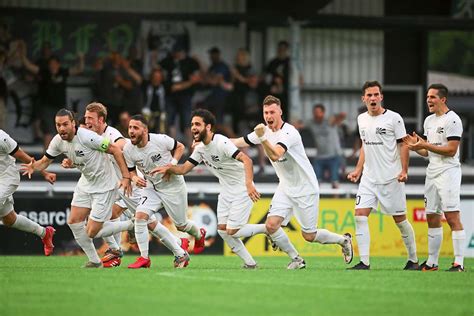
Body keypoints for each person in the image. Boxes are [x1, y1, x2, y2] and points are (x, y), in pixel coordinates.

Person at [232, 95, 353, 269]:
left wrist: (263, 138)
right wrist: (212, 142)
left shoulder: (289, 132)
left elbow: (275, 154)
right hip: (286, 186)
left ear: (280, 112)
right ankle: (297, 259)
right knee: (271, 225)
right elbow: (237, 142)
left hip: (305, 188)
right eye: (266, 112)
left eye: (272, 112)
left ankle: (343, 240)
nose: (268, 116)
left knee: (309, 236)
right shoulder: (263, 131)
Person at [154, 109, 267, 268]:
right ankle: (250, 263)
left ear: (208, 127)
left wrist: (249, 184)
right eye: (192, 124)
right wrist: (167, 168)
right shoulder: (199, 149)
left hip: (242, 187)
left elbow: (247, 160)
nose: (193, 127)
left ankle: (268, 229)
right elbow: (184, 169)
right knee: (222, 230)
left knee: (233, 230)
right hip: (226, 190)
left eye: (197, 124)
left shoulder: (221, 142)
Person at [81, 102, 189, 268]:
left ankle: (177, 250)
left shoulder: (112, 134)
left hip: (132, 185)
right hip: (118, 185)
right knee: (106, 217)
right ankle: (116, 250)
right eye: (85, 117)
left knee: (146, 222)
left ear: (101, 120)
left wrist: (128, 177)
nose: (86, 121)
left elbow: (121, 146)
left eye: (90, 118)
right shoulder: (93, 137)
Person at [21, 109, 134, 268]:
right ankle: (95, 261)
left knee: (92, 231)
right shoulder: (58, 141)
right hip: (86, 184)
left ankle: (132, 225)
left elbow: (115, 149)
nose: (61, 128)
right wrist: (35, 166)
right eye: (58, 125)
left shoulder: (87, 137)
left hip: (104, 185)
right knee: (73, 222)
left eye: (65, 124)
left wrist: (126, 176)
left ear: (73, 123)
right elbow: (45, 161)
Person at [347, 81, 418, 270]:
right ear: (363, 99)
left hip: (390, 178)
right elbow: (365, 145)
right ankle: (364, 262)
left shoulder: (394, 118)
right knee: (360, 216)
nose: (372, 98)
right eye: (369, 95)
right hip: (369, 179)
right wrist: (358, 170)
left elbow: (403, 145)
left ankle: (413, 259)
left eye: (375, 94)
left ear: (381, 97)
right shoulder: (361, 119)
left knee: (400, 220)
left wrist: (404, 171)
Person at [122, 114, 206, 268]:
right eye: (129, 128)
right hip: (151, 187)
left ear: (145, 130)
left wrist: (171, 165)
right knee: (140, 217)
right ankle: (144, 258)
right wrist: (134, 178)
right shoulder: (128, 149)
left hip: (172, 186)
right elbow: (131, 171)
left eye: (135, 128)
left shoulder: (160, 140)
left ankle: (199, 234)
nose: (131, 131)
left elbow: (180, 147)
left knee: (181, 225)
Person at [403, 83, 466, 272]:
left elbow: (451, 150)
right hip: (432, 172)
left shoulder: (453, 120)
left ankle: (459, 263)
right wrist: (416, 147)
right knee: (432, 217)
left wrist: (426, 146)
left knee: (452, 216)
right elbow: (428, 152)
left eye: (432, 97)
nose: (428, 100)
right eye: (428, 97)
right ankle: (432, 262)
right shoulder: (429, 121)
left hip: (448, 172)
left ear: (443, 99)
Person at [0, 129, 56, 255]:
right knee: (9, 219)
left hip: (7, 177)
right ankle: (44, 233)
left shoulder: (2, 138)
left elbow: (24, 157)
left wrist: (45, 173)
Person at [20, 47, 84, 148]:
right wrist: (22, 55)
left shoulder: (63, 72)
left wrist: (81, 58)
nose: (53, 66)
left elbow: (78, 69)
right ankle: (46, 158)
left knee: (65, 131)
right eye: (51, 64)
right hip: (47, 108)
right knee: (48, 132)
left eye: (55, 64)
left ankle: (66, 157)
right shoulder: (44, 72)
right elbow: (29, 66)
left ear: (58, 64)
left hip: (61, 108)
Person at [160, 44, 201, 146]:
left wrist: (186, 84)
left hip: (186, 95)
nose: (177, 54)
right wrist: (187, 83)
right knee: (170, 121)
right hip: (170, 95)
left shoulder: (191, 62)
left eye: (179, 52)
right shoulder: (168, 61)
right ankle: (173, 147)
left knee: (188, 122)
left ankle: (191, 149)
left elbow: (197, 78)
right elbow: (171, 86)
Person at [302, 104, 346, 189]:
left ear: (323, 113)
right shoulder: (311, 123)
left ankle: (336, 200)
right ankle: (316, 201)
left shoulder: (329, 122)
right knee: (315, 182)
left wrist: (336, 116)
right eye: (315, 112)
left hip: (334, 156)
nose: (316, 114)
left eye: (318, 112)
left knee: (335, 181)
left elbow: (343, 115)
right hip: (320, 157)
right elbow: (299, 125)